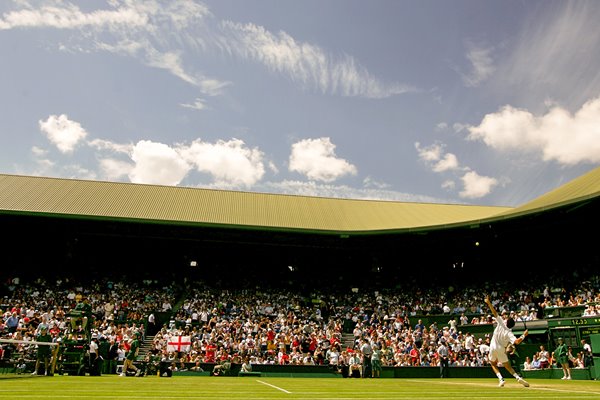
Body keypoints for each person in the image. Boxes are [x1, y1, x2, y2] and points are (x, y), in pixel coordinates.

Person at [484, 295, 529, 387]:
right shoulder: (509, 332)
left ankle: (501, 379)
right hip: (501, 349)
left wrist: (488, 302)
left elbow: (494, 312)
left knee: (492, 363)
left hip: (493, 347)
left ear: (507, 322)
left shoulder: (501, 322)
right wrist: (524, 335)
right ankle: (518, 378)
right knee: (508, 367)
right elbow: (517, 342)